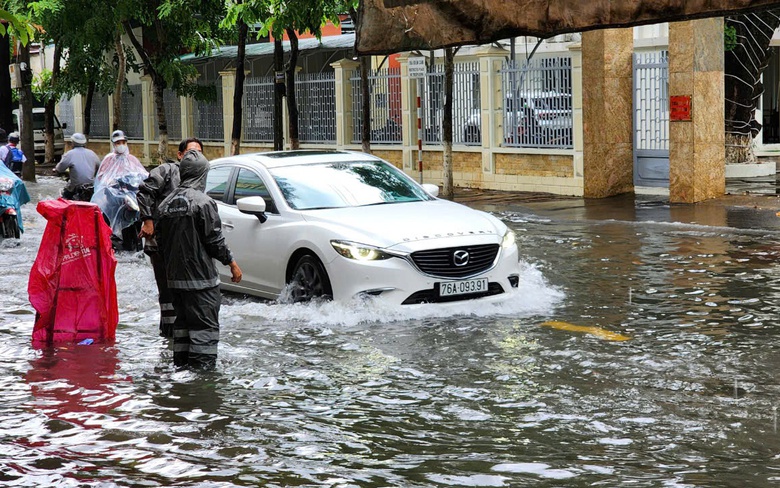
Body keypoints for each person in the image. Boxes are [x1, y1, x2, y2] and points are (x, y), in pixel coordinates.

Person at [155, 149, 242, 370]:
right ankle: (202, 382)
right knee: (205, 331)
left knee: (182, 328)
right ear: (201, 175)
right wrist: (231, 263)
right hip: (202, 283)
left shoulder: (165, 205)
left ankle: (182, 372)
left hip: (175, 282)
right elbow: (215, 241)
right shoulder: (204, 203)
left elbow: (161, 244)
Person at [137, 137, 203, 338]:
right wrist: (147, 220)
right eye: (191, 152)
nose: (195, 157)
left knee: (184, 292)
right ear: (180, 155)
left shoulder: (200, 178)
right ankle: (168, 333)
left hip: (184, 246)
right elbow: (144, 191)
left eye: (199, 153)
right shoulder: (167, 171)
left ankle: (181, 332)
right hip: (161, 242)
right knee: (167, 291)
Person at [91, 130, 148, 251]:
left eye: (123, 142)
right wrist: (112, 183)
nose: (121, 145)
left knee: (137, 218)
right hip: (114, 197)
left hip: (130, 196)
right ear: (113, 144)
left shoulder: (132, 159)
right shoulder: (108, 159)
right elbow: (102, 178)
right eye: (118, 143)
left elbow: (142, 174)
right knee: (108, 220)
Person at [53, 133, 101, 201]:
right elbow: (100, 168)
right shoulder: (92, 154)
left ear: (73, 143)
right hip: (91, 187)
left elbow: (59, 168)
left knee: (63, 199)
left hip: (75, 188)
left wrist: (56, 170)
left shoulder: (70, 154)